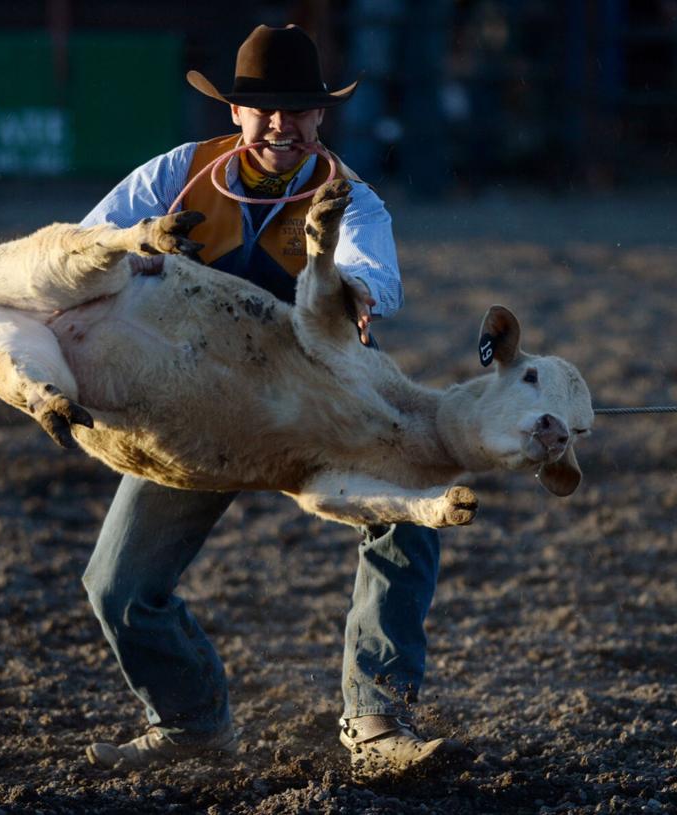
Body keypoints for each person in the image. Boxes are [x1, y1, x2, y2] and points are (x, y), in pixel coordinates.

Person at [77, 24, 466, 779]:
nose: (280, 124)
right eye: (263, 109)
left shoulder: (354, 198)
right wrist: (140, 251)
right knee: (116, 586)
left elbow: (373, 275)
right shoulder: (175, 174)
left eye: (296, 109)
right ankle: (189, 724)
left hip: (323, 389)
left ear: (320, 118)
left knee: (411, 511)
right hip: (202, 400)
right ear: (235, 114)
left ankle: (376, 716)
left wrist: (349, 290)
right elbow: (91, 240)